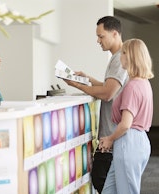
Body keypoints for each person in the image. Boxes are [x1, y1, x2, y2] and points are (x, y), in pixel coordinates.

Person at [63, 16, 128, 193]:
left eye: (101, 36)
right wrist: (87, 79)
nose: (98, 41)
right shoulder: (116, 57)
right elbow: (109, 87)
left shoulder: (120, 58)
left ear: (114, 34)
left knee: (102, 182)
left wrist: (78, 85)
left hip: (112, 135)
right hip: (111, 133)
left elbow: (108, 93)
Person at [99, 38, 154, 194]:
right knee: (109, 190)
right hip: (138, 141)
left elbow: (125, 124)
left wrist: (109, 139)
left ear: (131, 56)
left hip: (128, 142)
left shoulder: (132, 86)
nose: (119, 56)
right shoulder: (143, 83)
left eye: (123, 53)